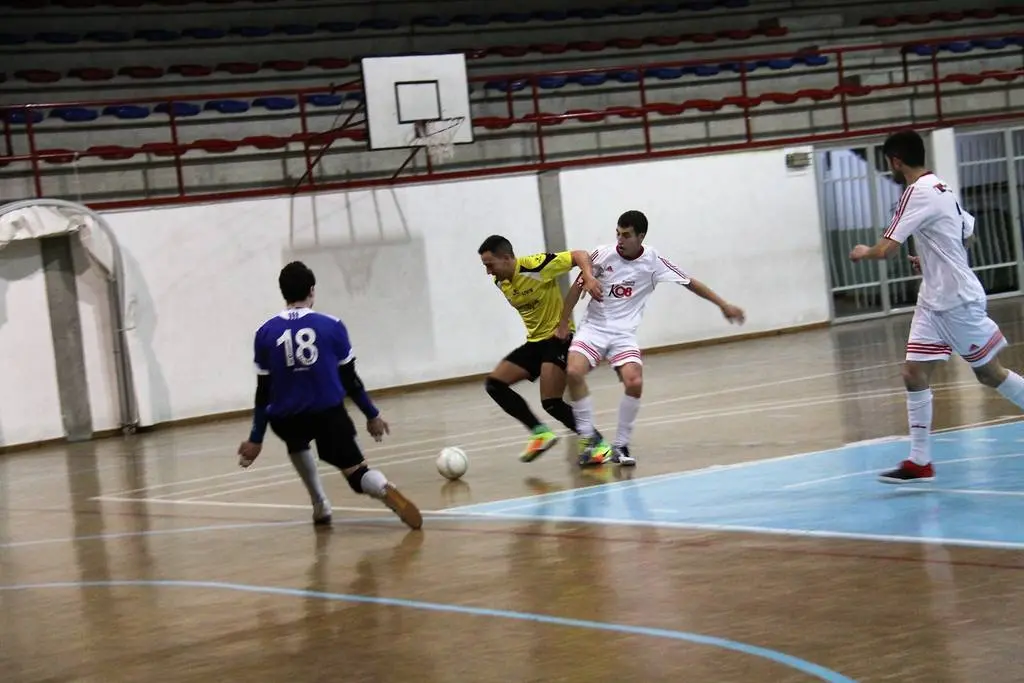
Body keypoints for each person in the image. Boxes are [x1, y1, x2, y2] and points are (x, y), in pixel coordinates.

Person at [849, 129, 1024, 484]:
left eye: (889, 164)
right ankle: (919, 462)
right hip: (933, 299)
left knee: (990, 374)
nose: (890, 170)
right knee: (913, 374)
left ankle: (920, 460)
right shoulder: (941, 187)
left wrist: (864, 251)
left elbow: (885, 249)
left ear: (896, 162)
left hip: (956, 300)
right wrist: (931, 259)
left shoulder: (917, 193)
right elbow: (967, 235)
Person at [236, 261, 422, 529]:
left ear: (283, 293)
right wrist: (372, 415)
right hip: (328, 413)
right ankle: (382, 487)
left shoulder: (264, 332)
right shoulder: (332, 326)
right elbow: (351, 381)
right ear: (312, 290)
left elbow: (263, 392)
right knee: (356, 472)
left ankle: (319, 503)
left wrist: (256, 439)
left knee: (296, 443)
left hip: (286, 416)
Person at [558, 210, 745, 467]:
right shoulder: (602, 254)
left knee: (634, 382)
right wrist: (562, 324)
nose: (620, 239)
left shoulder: (653, 261)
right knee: (574, 372)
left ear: (641, 236)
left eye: (626, 235)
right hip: (594, 328)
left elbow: (690, 282)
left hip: (624, 333)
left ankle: (621, 444)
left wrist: (723, 305)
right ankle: (589, 440)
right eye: (617, 233)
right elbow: (576, 287)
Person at [478, 234, 604, 462]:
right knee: (494, 385)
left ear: (506, 258)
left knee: (551, 402)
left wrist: (588, 275)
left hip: (559, 338)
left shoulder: (535, 266)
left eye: (490, 265)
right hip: (535, 342)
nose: (488, 272)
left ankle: (598, 443)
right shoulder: (501, 282)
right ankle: (540, 433)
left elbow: (579, 255)